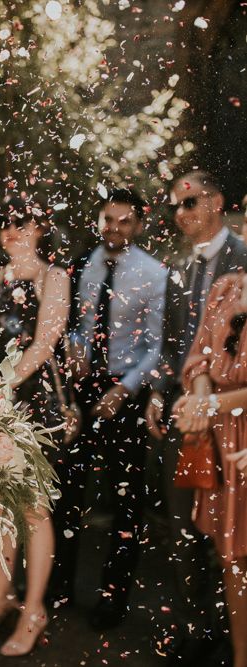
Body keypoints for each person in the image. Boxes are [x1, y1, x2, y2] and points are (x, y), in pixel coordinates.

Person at [52, 188, 167, 630]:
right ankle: (58, 586)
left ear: (138, 225)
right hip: (82, 389)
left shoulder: (153, 273)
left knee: (126, 501)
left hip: (127, 392)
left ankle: (113, 598)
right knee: (67, 492)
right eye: (108, 219)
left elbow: (157, 347)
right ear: (98, 220)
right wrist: (75, 351)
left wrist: (124, 390)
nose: (114, 228)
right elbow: (73, 325)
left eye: (123, 221)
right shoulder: (82, 264)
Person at [0, 195, 69, 656]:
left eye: (21, 221)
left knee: (34, 510)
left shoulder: (54, 277)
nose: (12, 230)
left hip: (34, 405)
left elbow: (45, 344)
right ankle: (0, 598)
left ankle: (34, 610)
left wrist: (1, 389)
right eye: (4, 222)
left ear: (39, 227)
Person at [146, 170, 247, 664]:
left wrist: (214, 402)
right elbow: (171, 347)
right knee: (184, 523)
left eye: (188, 203)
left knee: (238, 536)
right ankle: (197, 630)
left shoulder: (244, 260)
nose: (180, 214)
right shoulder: (178, 268)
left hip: (237, 421)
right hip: (186, 413)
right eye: (174, 207)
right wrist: (161, 397)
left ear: (217, 201)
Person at [171, 272, 247, 667]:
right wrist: (200, 397)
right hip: (222, 437)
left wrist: (213, 406)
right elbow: (199, 355)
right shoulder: (225, 288)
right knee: (232, 558)